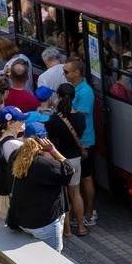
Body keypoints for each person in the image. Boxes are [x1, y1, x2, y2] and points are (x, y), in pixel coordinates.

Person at [7, 127, 76, 251]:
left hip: (22, 220)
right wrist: (53, 151)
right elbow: (70, 170)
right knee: (54, 258)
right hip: (45, 224)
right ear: (45, 141)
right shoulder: (45, 165)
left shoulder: (15, 157)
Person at [44, 84, 88, 237]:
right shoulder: (81, 117)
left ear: (59, 96)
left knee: (63, 195)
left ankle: (67, 230)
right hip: (76, 158)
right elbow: (81, 135)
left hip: (60, 159)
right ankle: (81, 226)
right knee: (76, 193)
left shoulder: (53, 119)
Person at [67, 59, 98, 228]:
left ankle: (90, 212)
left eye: (66, 71)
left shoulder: (85, 92)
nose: (64, 74)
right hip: (77, 140)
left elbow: (78, 115)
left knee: (86, 178)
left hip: (84, 140)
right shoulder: (75, 88)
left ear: (77, 73)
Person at [0, 106, 29, 220]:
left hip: (4, 194)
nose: (23, 122)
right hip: (13, 196)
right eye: (21, 120)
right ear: (10, 123)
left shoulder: (0, 137)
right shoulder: (15, 145)